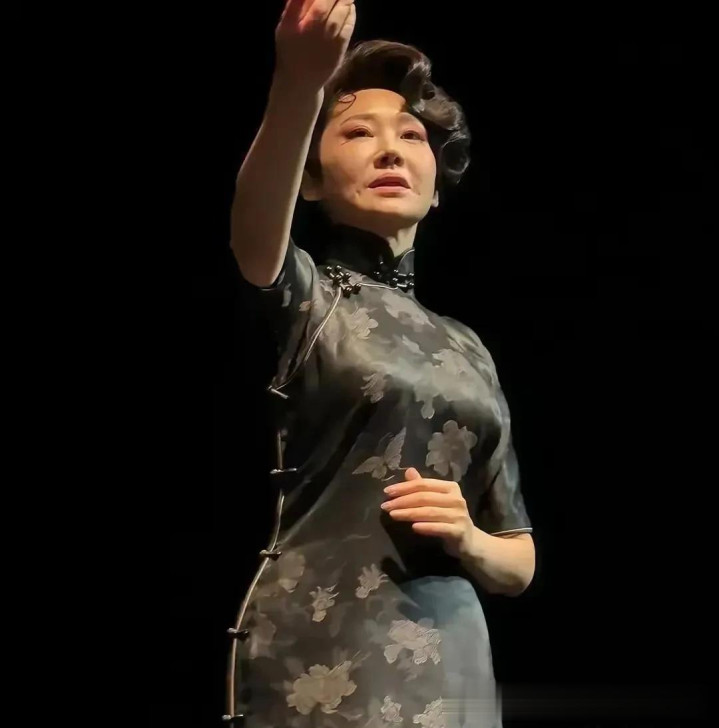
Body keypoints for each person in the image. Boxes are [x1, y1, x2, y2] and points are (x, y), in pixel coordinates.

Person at [225, 1, 535, 726]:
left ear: (437, 184)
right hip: (325, 649)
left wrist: (468, 538)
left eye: (411, 135)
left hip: (454, 657)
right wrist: (299, 85)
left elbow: (518, 557)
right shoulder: (308, 296)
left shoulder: (467, 346)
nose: (390, 151)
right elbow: (254, 233)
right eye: (358, 132)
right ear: (310, 179)